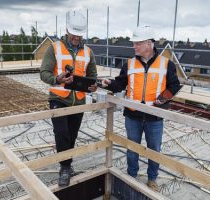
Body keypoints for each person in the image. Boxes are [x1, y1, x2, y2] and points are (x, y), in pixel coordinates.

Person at [101, 26, 180, 192]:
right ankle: (132, 175)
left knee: (154, 150)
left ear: (150, 44)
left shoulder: (166, 64)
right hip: (133, 114)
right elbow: (120, 83)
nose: (134, 46)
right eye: (134, 43)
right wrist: (110, 84)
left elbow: (174, 85)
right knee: (132, 148)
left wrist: (163, 98)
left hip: (154, 116)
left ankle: (152, 179)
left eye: (138, 43)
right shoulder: (129, 64)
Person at [40, 9, 97, 187]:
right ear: (67, 30)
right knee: (61, 133)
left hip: (78, 100)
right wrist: (57, 79)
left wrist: (92, 86)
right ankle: (65, 167)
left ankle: (67, 163)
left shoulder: (88, 52)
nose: (76, 38)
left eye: (79, 35)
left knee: (72, 135)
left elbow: (92, 74)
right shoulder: (54, 48)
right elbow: (44, 73)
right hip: (59, 98)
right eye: (74, 34)